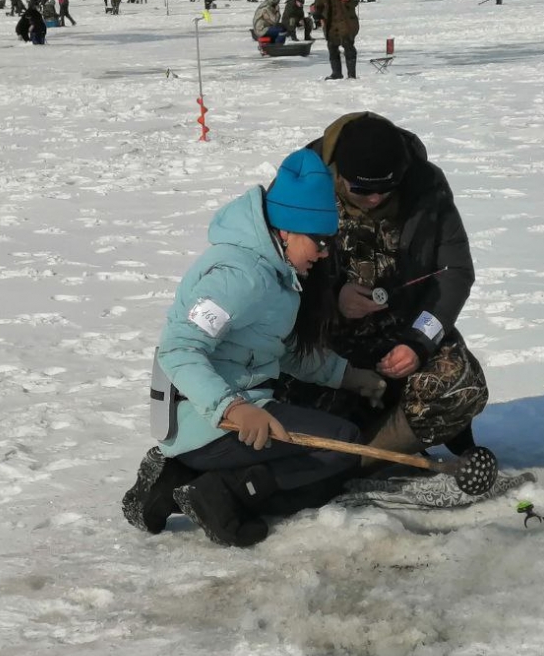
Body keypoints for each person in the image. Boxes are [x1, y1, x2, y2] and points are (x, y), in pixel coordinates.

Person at [120, 149, 387, 546]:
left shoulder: (274, 273)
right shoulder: (238, 277)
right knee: (340, 449)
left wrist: (348, 376)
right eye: (319, 240)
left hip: (223, 413)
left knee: (336, 441)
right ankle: (223, 495)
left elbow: (281, 350)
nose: (325, 251)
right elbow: (178, 349)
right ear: (286, 230)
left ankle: (177, 480)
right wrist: (234, 407)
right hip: (209, 420)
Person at [277, 112, 488, 464]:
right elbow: (276, 269)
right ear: (338, 174)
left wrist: (419, 342)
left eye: (384, 189)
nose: (374, 198)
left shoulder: (427, 186)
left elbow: (455, 272)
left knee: (461, 386)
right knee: (274, 394)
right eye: (360, 189)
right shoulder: (301, 185)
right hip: (325, 345)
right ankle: (342, 456)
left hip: (401, 333)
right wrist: (331, 298)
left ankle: (362, 458)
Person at [315, 0, 360, 80]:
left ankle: (351, 75)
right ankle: (336, 73)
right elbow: (318, 5)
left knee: (349, 47)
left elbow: (355, 0)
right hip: (331, 25)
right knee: (332, 48)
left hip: (346, 23)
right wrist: (317, 13)